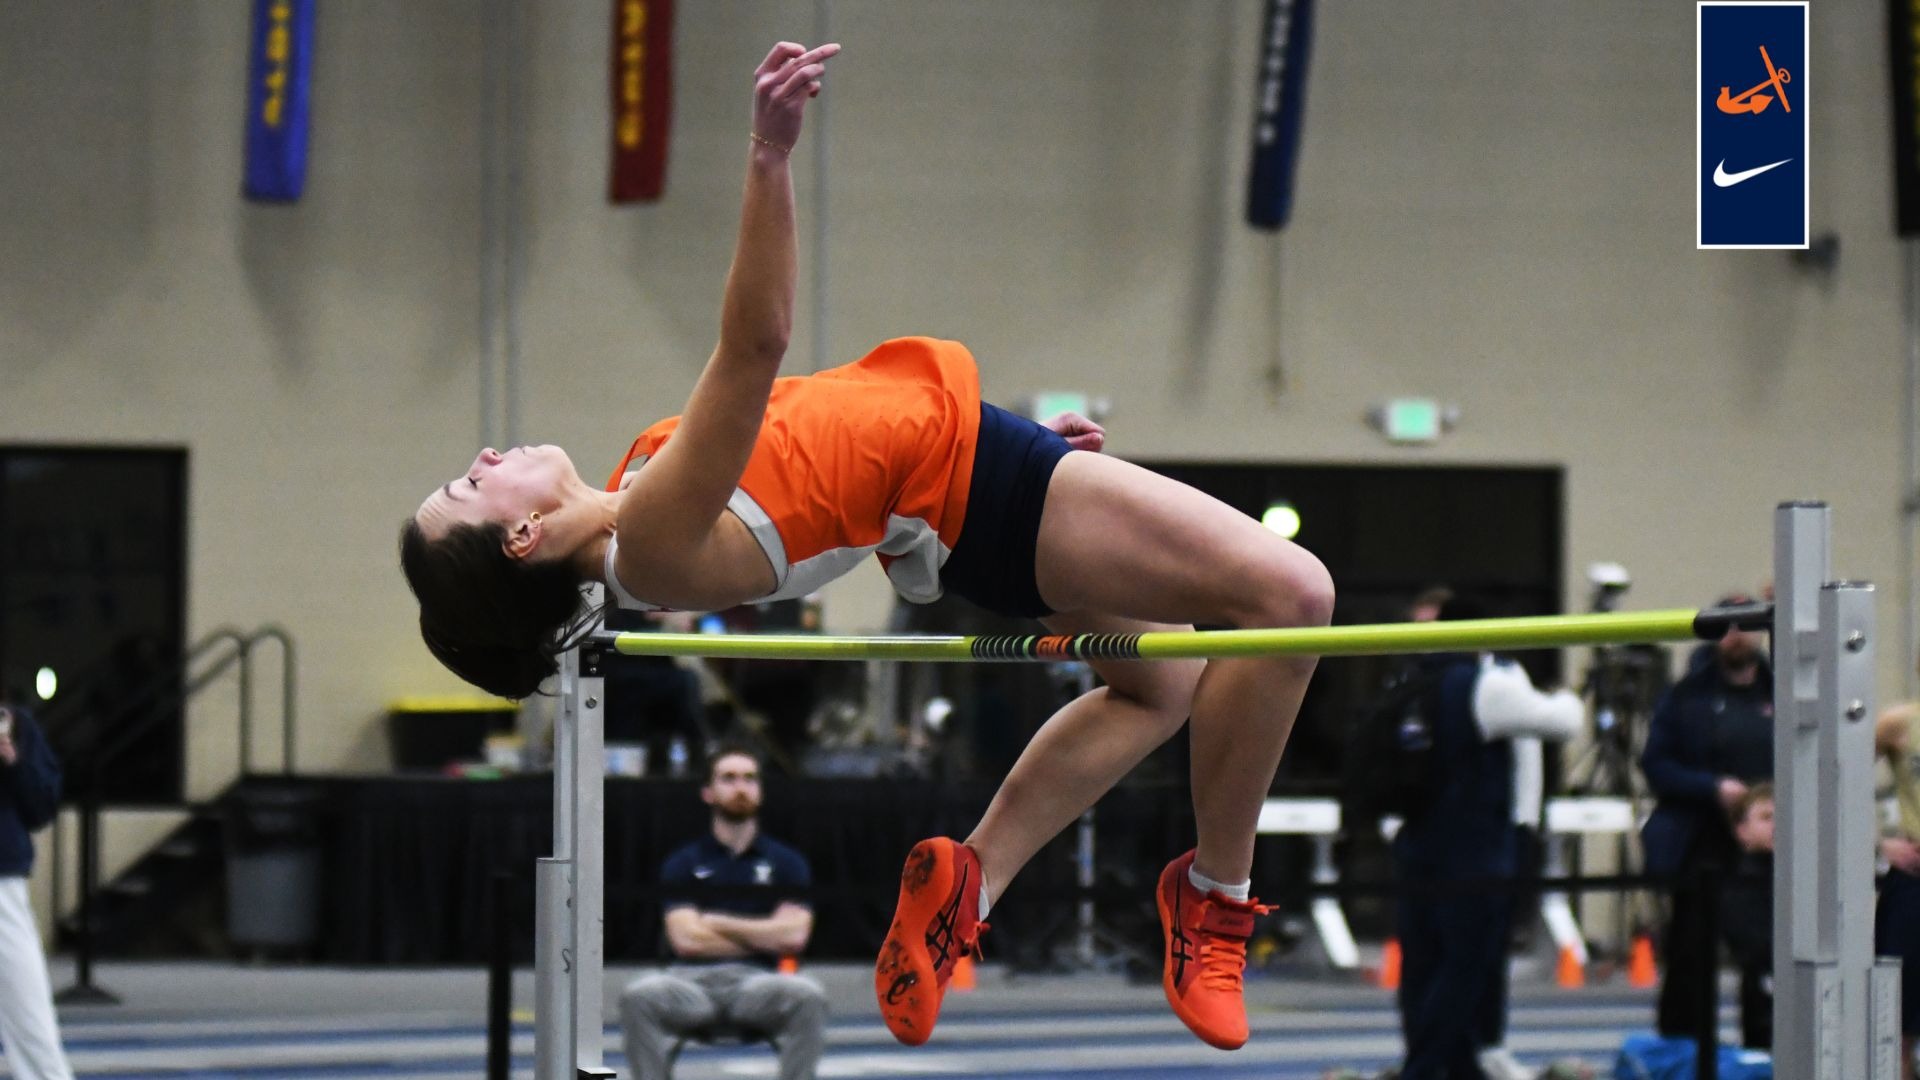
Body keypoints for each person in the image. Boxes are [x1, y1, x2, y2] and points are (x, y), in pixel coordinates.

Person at [399, 41, 1335, 1051]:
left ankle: (970, 884)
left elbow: (822, 492)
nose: (486, 455)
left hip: (967, 486)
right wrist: (767, 155)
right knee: (1291, 596)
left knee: (1167, 681)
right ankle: (1216, 897)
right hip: (974, 487)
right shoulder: (653, 544)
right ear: (523, 538)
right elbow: (755, 348)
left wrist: (1044, 486)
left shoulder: (638, 492)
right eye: (470, 486)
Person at [1388, 597, 1583, 1080]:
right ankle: (1431, 1066)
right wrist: (1568, 694)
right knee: (1467, 966)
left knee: (1423, 966)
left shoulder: (1408, 684)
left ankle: (1453, 1062)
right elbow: (1565, 723)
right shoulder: (1488, 684)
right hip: (1473, 851)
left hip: (1417, 847)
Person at [618, 746, 827, 1080]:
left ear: (760, 791)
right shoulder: (683, 862)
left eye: (749, 779)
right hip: (690, 984)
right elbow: (687, 941)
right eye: (728, 779)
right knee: (638, 996)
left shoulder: (788, 863)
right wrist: (764, 934)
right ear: (708, 792)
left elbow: (795, 936)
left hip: (757, 984)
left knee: (809, 995)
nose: (740, 787)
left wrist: (716, 922)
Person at [1638, 593, 1771, 1043]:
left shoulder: (1783, 690)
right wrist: (1713, 788)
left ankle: (1769, 1050)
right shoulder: (1686, 696)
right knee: (1691, 955)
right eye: (1727, 626)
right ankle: (1683, 1052)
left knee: (1768, 956)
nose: (1736, 636)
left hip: (1768, 849)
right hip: (1701, 843)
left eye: (1745, 625)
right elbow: (1655, 764)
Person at [0, 705, 74, 1080]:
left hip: (1, 887)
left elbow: (42, 808)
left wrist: (13, 760)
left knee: (29, 1016)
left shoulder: (14, 724)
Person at [1875, 692, 1920, 1080]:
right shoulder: (1899, 724)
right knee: (1896, 1025)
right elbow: (1835, 773)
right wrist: (1878, 840)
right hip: (1913, 881)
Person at [1718, 783, 1774, 1052]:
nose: (1777, 825)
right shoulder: (1737, 883)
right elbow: (1747, 942)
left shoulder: (1807, 876)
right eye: (1765, 817)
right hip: (1763, 989)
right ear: (1741, 830)